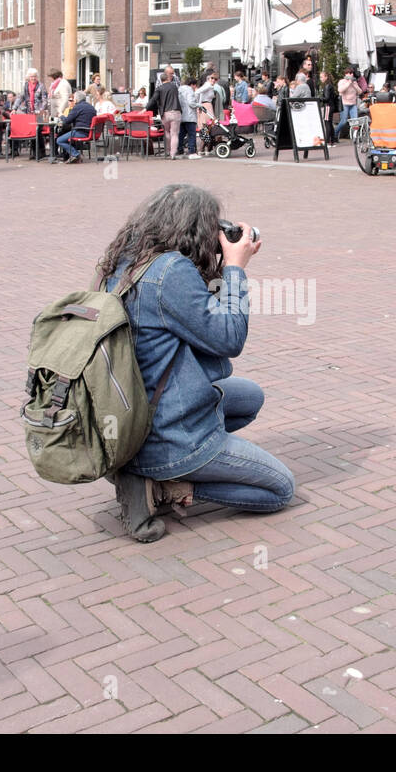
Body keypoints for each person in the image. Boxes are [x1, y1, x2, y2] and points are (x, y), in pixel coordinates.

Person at [96, 183, 295, 542]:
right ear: (195, 230)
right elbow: (228, 339)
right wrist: (235, 267)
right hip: (169, 429)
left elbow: (197, 325)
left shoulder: (127, 262)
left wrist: (213, 268)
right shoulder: (171, 271)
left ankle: (146, 466)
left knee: (249, 397)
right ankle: (165, 484)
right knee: (280, 489)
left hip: (133, 414)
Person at [145, 67, 183, 159]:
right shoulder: (175, 86)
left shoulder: (159, 88)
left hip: (165, 113)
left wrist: (145, 109)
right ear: (167, 78)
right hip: (176, 112)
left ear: (161, 80)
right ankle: (173, 154)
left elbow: (153, 100)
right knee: (174, 134)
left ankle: (167, 151)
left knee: (166, 132)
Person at [333, 66, 360, 142]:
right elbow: (340, 90)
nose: (351, 75)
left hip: (353, 103)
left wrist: (354, 85)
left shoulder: (354, 82)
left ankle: (355, 137)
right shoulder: (342, 81)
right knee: (344, 121)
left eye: (352, 73)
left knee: (355, 121)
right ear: (345, 74)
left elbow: (360, 91)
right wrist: (348, 83)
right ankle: (335, 133)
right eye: (349, 73)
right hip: (345, 103)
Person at [177, 74, 200, 158]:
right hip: (190, 116)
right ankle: (191, 151)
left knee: (181, 134)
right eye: (195, 85)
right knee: (191, 134)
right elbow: (191, 103)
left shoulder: (179, 89)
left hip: (181, 115)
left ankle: (180, 150)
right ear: (192, 84)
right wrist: (198, 105)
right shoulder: (190, 90)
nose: (195, 88)